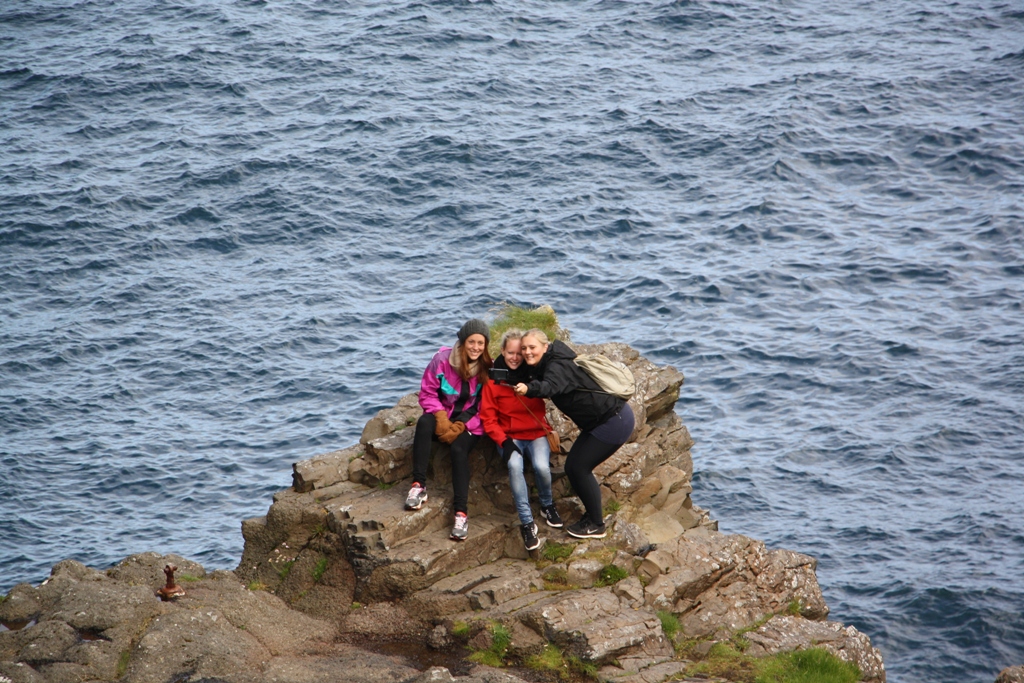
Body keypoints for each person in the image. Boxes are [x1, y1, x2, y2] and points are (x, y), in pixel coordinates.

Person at [514, 329, 634, 539]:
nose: (527, 352)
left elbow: (550, 386)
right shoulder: (551, 359)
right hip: (602, 421)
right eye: (523, 348)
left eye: (532, 347)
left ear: (545, 346)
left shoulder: (557, 366)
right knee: (574, 466)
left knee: (579, 468)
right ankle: (592, 518)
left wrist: (529, 389)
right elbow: (529, 371)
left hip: (613, 421)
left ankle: (596, 524)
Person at [405, 318, 492, 541]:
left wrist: (461, 425)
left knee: (458, 451)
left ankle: (461, 514)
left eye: (480, 343)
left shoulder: (488, 367)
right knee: (424, 424)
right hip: (443, 416)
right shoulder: (442, 361)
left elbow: (484, 403)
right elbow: (427, 392)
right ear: (462, 342)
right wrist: (441, 418)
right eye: (472, 342)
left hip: (471, 423)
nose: (476, 347)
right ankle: (418, 485)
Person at [480, 329, 564, 551]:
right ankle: (527, 523)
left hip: (536, 432)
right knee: (515, 466)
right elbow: (488, 419)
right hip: (510, 438)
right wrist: (504, 442)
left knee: (541, 467)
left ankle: (547, 505)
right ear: (502, 352)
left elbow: (552, 386)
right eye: (511, 352)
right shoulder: (492, 381)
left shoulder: (535, 375)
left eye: (520, 352)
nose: (516, 357)